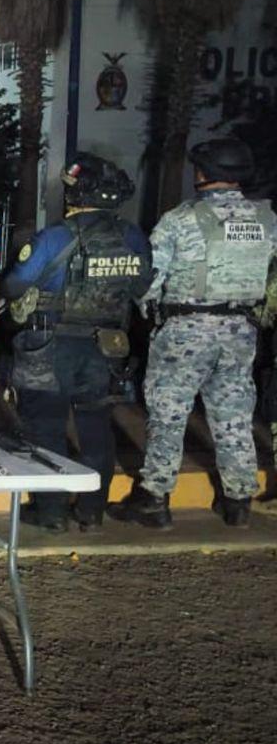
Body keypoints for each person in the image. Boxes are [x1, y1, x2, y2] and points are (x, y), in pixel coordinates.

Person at [111, 137, 276, 530]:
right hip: (240, 331)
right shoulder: (267, 219)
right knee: (234, 413)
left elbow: (149, 280)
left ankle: (155, 498)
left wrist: (148, 311)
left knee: (168, 414)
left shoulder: (180, 219)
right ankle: (238, 500)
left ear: (203, 173)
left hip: (186, 331)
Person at [1, 153, 150, 532]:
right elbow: (142, 286)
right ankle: (91, 511)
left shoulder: (55, 237)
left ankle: (51, 512)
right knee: (96, 426)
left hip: (49, 344)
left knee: (46, 426)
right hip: (105, 346)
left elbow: (15, 285)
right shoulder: (132, 236)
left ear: (77, 194)